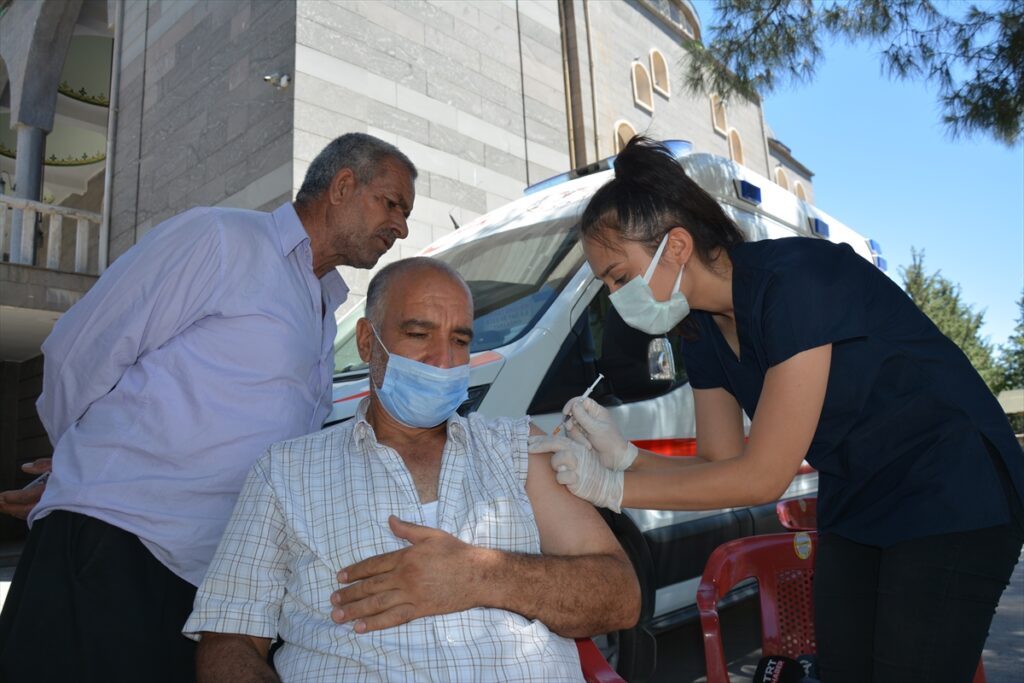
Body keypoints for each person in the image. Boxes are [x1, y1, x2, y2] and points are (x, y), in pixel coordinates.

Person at [528, 136, 1024, 683]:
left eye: (619, 276)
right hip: (860, 496)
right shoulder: (701, 330)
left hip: (951, 486)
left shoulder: (795, 282)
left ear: (675, 247)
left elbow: (763, 477)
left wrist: (611, 490)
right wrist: (625, 458)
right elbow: (721, 460)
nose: (617, 297)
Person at [0, 133, 417, 683]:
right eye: (392, 204)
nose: (402, 228)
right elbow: (81, 350)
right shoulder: (220, 239)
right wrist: (82, 456)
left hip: (207, 582)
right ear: (343, 186)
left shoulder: (324, 302)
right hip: (115, 548)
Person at [185, 258, 640, 682]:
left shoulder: (515, 448)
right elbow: (230, 636)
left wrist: (478, 576)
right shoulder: (284, 472)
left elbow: (620, 596)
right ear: (367, 341)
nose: (443, 361)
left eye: (459, 340)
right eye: (419, 334)